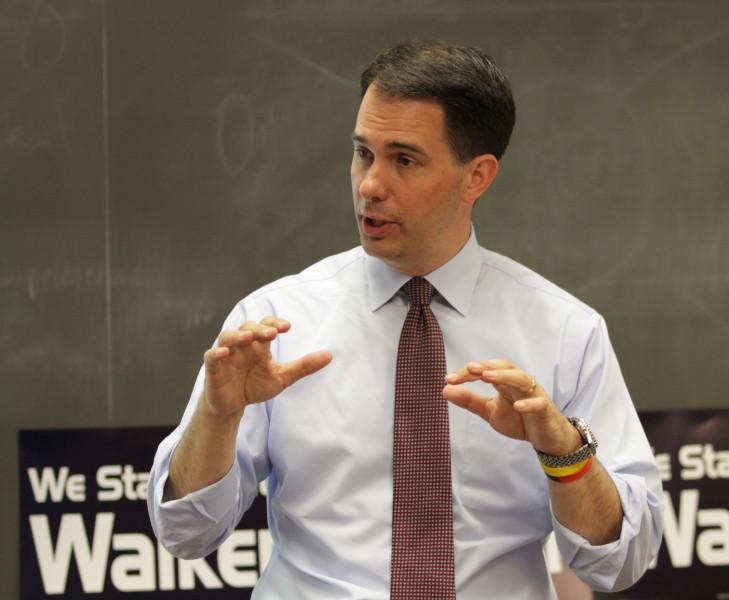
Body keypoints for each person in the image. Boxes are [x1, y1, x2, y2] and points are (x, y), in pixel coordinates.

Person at [148, 40, 662, 599]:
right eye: (363, 153)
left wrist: (564, 454)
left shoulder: (565, 332)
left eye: (404, 160)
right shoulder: (274, 322)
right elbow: (184, 533)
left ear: (477, 177)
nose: (370, 185)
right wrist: (217, 416)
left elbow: (620, 563)